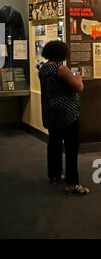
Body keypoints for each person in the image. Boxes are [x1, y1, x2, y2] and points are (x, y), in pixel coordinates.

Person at [38, 40, 89, 195]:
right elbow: (78, 87)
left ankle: (54, 175)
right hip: (67, 114)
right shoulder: (61, 69)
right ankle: (72, 184)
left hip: (51, 111)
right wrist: (79, 77)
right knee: (71, 148)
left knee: (54, 143)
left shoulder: (44, 67)